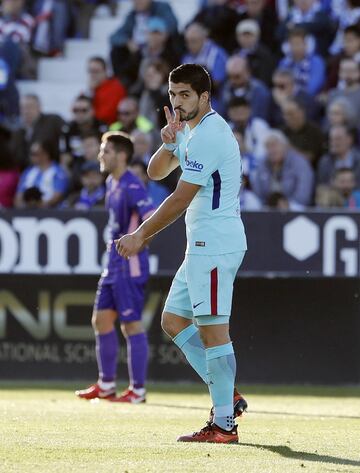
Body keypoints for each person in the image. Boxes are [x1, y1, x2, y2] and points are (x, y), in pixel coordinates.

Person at [115, 64, 248, 444]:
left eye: (185, 95)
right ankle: (228, 395)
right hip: (202, 245)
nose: (177, 101)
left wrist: (142, 235)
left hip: (215, 243)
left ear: (205, 96)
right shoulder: (190, 131)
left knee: (212, 332)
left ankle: (224, 424)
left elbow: (180, 197)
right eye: (173, 95)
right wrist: (169, 141)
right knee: (173, 320)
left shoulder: (211, 134)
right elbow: (157, 172)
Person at [75, 131, 155, 403]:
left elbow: (151, 218)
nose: (100, 155)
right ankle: (106, 384)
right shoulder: (112, 182)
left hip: (129, 264)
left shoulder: (133, 185)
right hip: (112, 263)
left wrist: (137, 245)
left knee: (131, 324)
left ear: (121, 155)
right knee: (101, 320)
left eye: (106, 150)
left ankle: (138, 390)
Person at [14, 139, 69, 208]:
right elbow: (19, 195)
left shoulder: (58, 172)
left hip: (50, 212)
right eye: (31, 154)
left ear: (46, 154)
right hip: (26, 211)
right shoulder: (28, 171)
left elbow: (58, 196)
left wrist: (39, 206)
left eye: (34, 154)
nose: (31, 157)